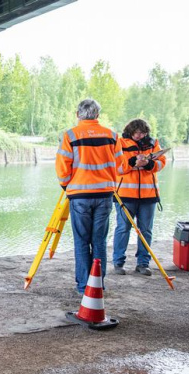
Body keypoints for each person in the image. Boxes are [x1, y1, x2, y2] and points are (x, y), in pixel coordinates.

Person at [56, 99, 125, 294]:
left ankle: (83, 286)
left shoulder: (70, 135)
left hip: (80, 195)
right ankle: (97, 285)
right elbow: (121, 167)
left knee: (81, 241)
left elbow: (62, 168)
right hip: (104, 195)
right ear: (97, 115)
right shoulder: (112, 136)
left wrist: (66, 186)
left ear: (78, 114)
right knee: (99, 241)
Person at [113, 119, 166, 276]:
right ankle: (118, 263)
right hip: (125, 196)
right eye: (137, 132)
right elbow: (116, 167)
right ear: (130, 130)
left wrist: (149, 165)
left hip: (148, 196)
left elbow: (162, 162)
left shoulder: (153, 143)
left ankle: (143, 263)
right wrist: (133, 163)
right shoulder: (119, 143)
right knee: (123, 229)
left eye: (143, 133)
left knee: (146, 230)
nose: (140, 135)